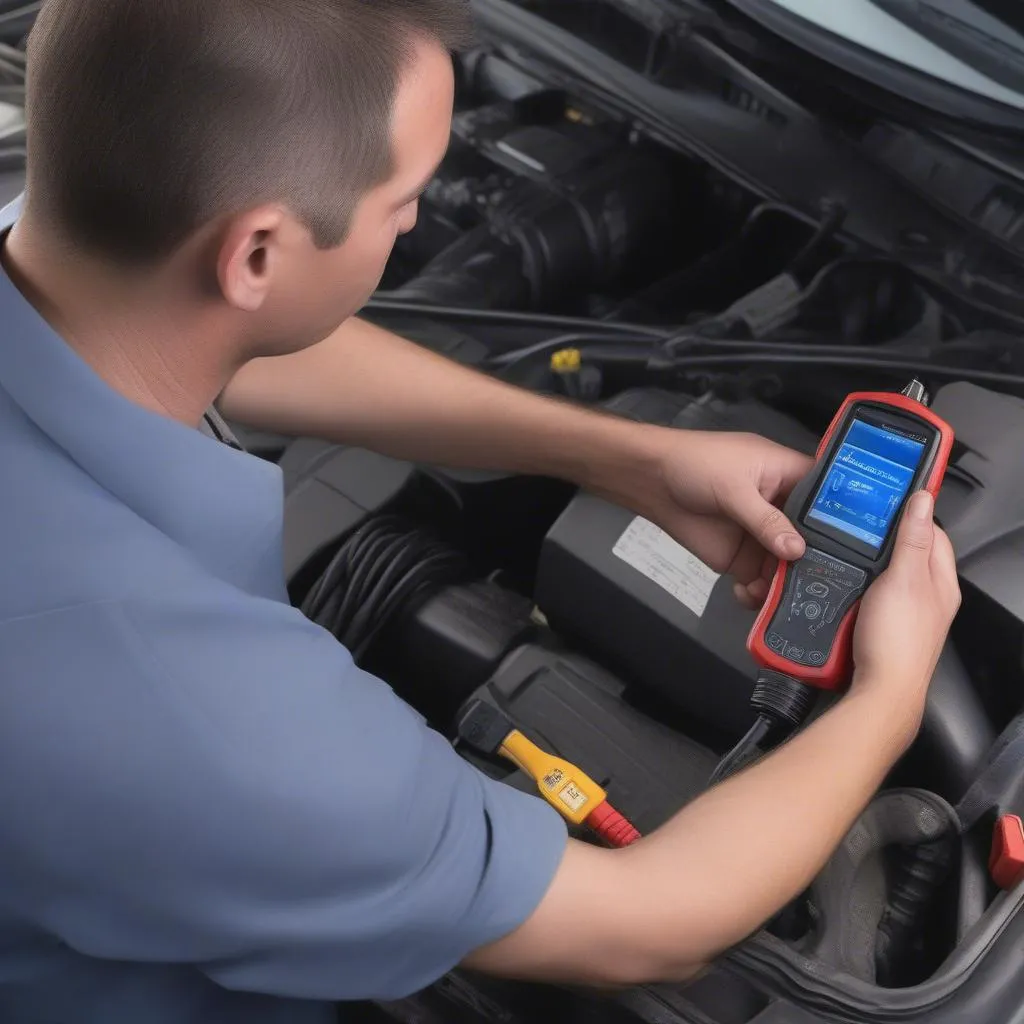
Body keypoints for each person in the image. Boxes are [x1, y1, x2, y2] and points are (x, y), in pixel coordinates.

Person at [0, 2, 960, 1023]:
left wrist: (631, 459)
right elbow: (650, 926)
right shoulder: (176, 710)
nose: (418, 221)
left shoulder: (71, 269)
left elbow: (237, 349)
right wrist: (889, 695)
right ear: (256, 256)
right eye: (403, 198)